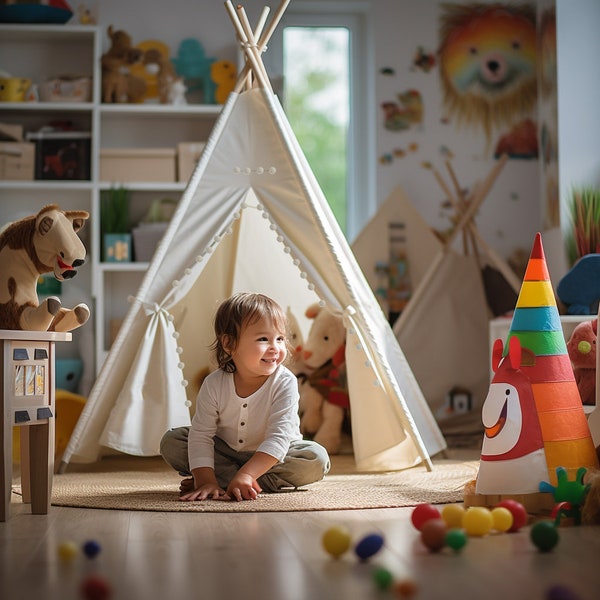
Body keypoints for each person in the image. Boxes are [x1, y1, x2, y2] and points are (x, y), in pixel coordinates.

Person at [160, 292, 331, 502]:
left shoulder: (285, 382)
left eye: (279, 339)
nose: (275, 348)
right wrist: (204, 478)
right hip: (225, 451)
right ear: (229, 344)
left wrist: (248, 473)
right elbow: (202, 435)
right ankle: (224, 482)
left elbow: (279, 438)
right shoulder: (214, 384)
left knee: (315, 458)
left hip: (275, 456)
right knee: (173, 441)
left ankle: (235, 480)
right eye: (263, 339)